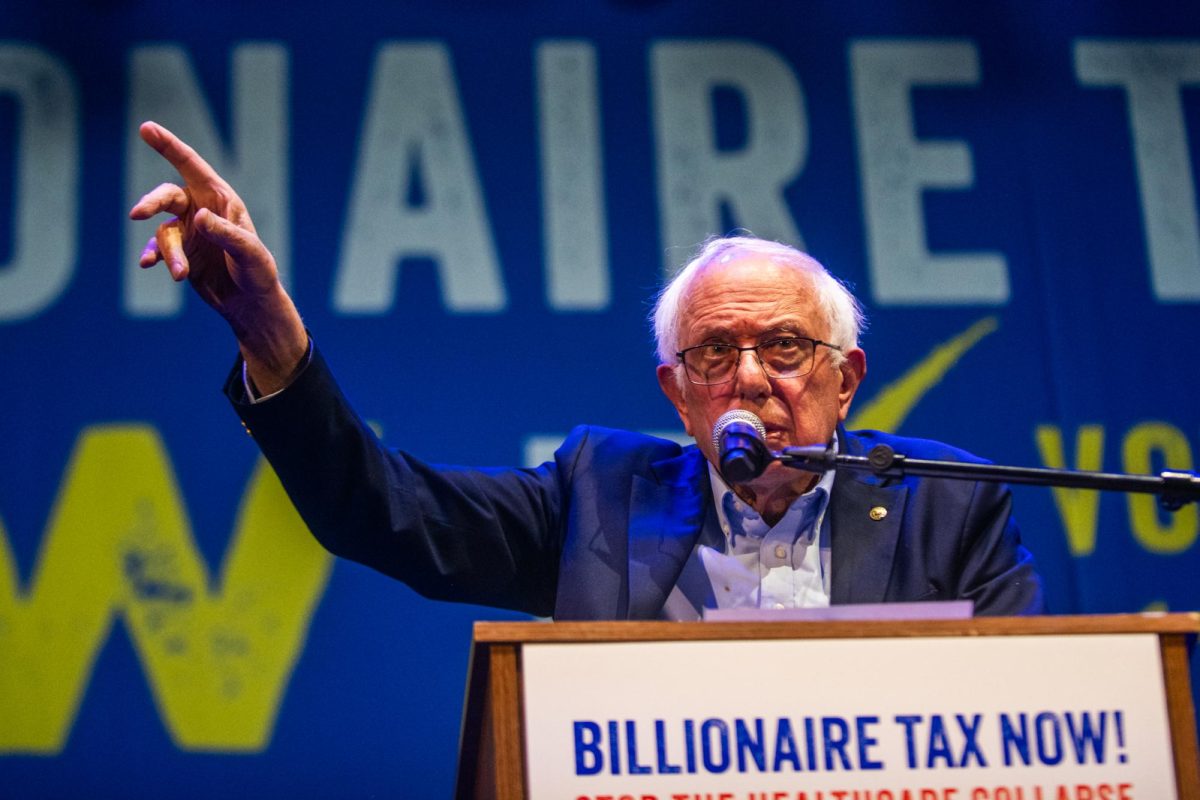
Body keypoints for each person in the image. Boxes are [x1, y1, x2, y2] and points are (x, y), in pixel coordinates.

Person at [130, 121, 1043, 619]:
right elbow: (381, 510)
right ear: (677, 395)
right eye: (715, 354)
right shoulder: (596, 498)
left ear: (846, 380)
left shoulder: (946, 505)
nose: (752, 378)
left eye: (787, 347)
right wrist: (271, 339)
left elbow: (1028, 715)